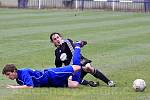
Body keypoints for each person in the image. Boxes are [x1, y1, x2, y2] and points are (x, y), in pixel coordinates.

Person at [2, 41, 86, 89]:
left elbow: (29, 86)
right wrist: (15, 85)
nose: (8, 77)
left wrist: (14, 87)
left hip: (51, 75)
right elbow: (26, 86)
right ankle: (71, 76)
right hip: (51, 83)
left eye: (8, 74)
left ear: (14, 71)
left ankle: (77, 46)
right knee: (75, 85)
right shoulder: (18, 80)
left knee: (78, 67)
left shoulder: (23, 72)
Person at [50, 32, 115, 87]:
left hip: (81, 61)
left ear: (61, 37)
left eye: (58, 37)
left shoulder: (67, 42)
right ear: (53, 42)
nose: (57, 39)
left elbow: (74, 47)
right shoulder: (57, 52)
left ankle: (108, 82)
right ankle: (89, 83)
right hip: (73, 68)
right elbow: (58, 66)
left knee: (88, 67)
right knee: (71, 80)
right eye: (55, 39)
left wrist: (81, 43)